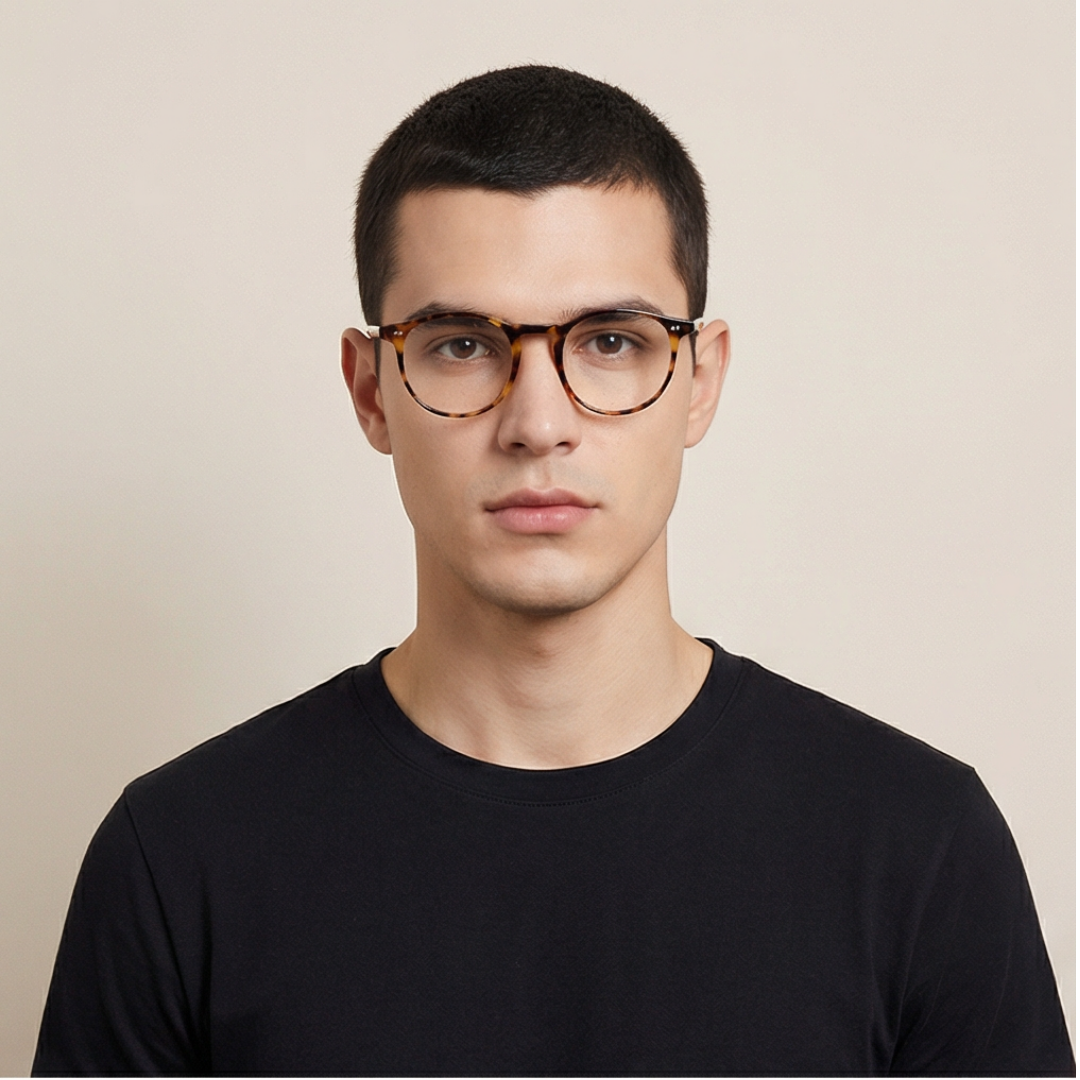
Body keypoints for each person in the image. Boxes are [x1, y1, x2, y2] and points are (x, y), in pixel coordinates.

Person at [33, 65, 1072, 1077]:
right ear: (370, 390)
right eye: (461, 345)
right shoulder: (180, 858)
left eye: (611, 341)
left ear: (700, 381)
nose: (538, 423)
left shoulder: (918, 845)